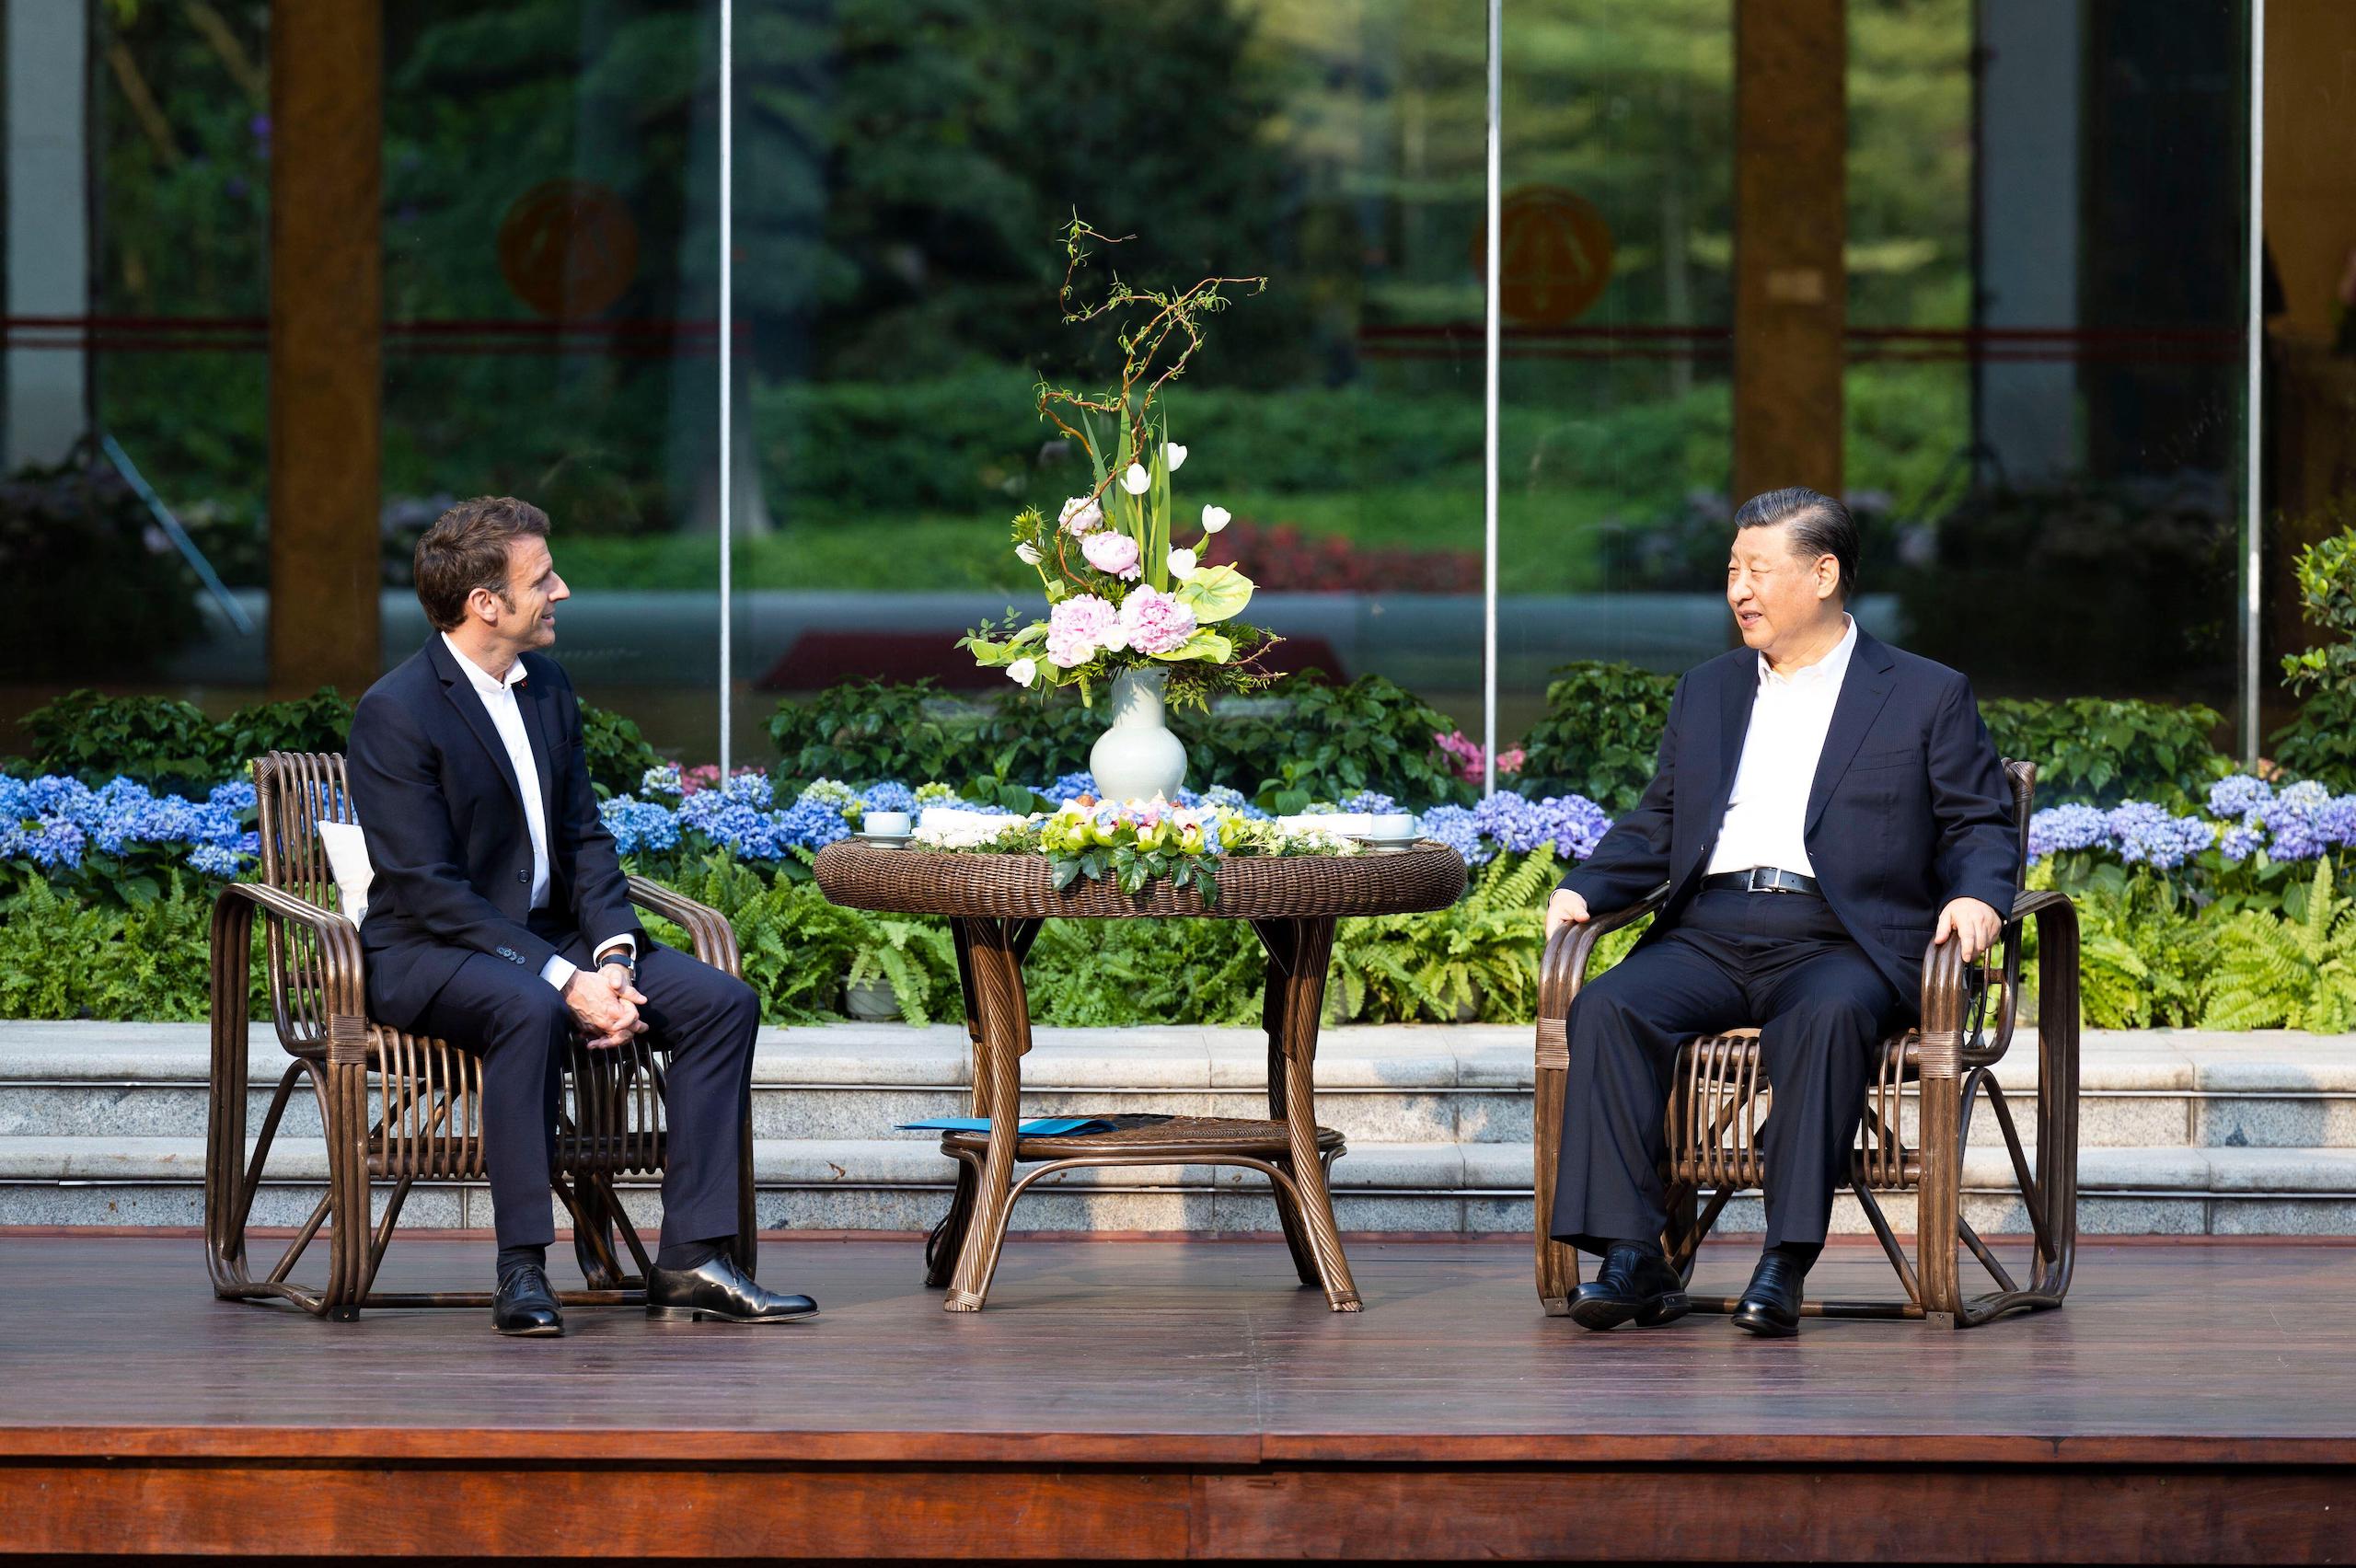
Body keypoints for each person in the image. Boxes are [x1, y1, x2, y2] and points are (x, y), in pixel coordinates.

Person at [1544, 487, 2015, 1337]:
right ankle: (1630, 1252)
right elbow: (1660, 818)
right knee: (1608, 1005)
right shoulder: (1709, 690)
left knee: (1828, 1016)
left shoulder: (1923, 693)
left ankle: (1784, 1259)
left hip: (1842, 938)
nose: (1739, 589)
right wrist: (1590, 885)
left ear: (1824, 573)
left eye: (1758, 569)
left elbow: (1977, 820)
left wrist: (1980, 896)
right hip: (1713, 929)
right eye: (1732, 570)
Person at [347, 496, 816, 1337]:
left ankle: (694, 1260)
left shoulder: (547, 687)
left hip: (551, 938)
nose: (561, 590)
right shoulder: (397, 710)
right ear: (486, 603)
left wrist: (612, 961)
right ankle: (522, 1268)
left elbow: (584, 838)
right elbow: (426, 888)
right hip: (430, 950)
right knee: (526, 1005)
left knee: (723, 1003)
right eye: (542, 578)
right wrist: (564, 981)